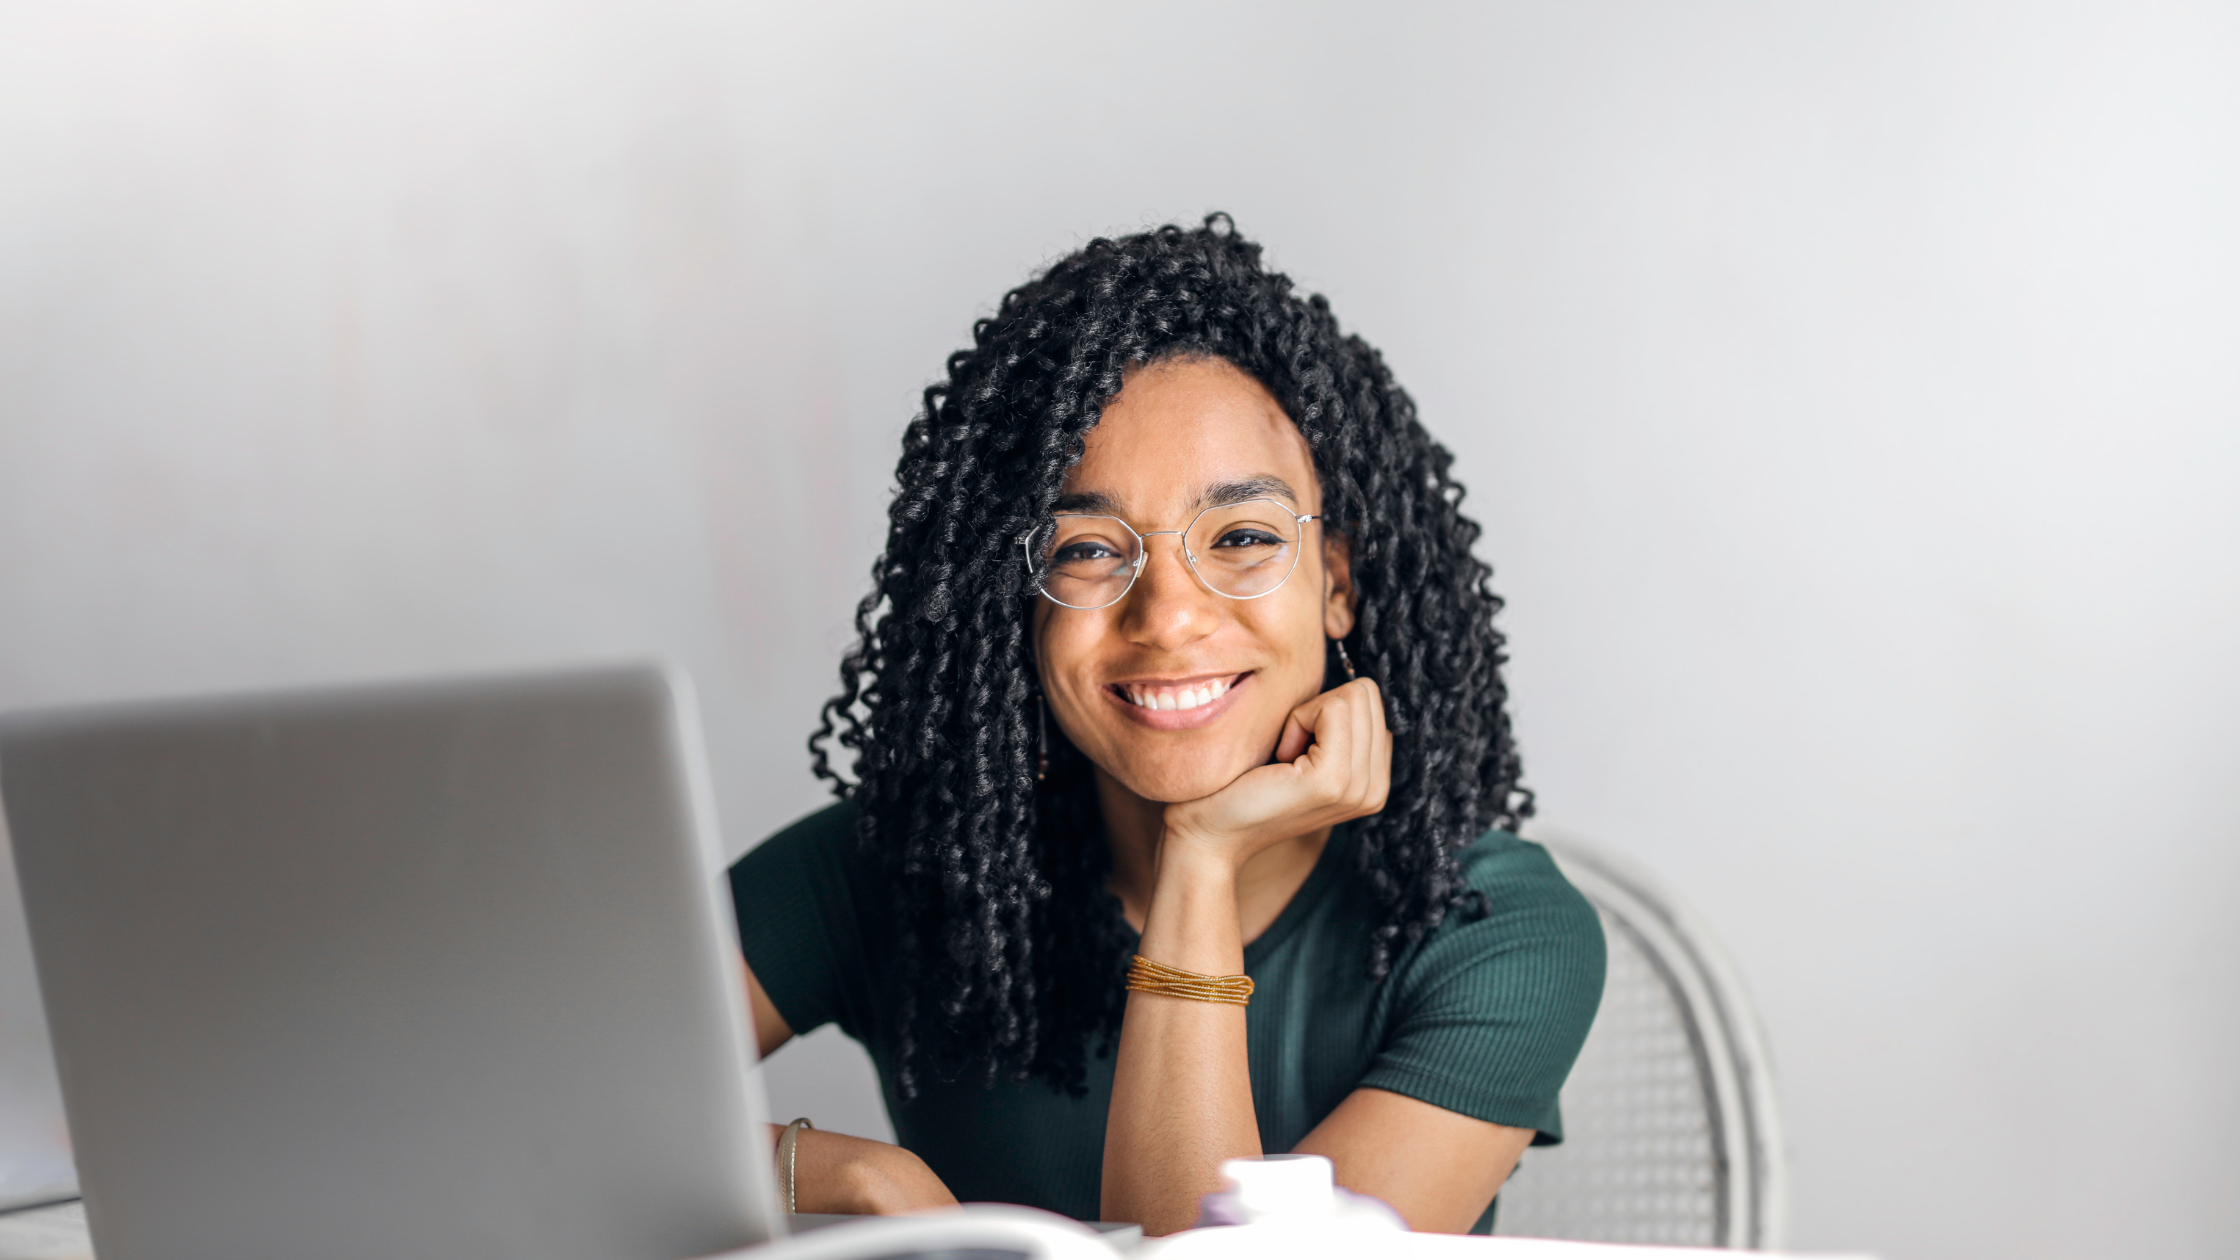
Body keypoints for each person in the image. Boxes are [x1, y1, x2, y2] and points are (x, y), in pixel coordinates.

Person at [727, 215, 1605, 1236]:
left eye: (1239, 536)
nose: (1169, 615)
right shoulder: (896, 866)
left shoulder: (1489, 929)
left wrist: (1200, 858)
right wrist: (841, 1176)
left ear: (1336, 582)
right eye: (1088, 551)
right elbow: (523, 1099)